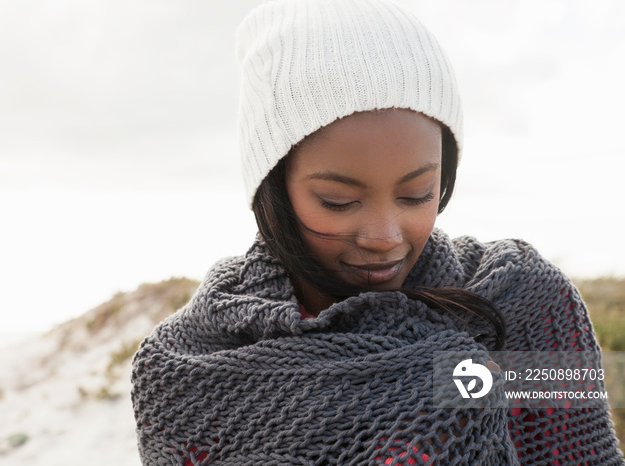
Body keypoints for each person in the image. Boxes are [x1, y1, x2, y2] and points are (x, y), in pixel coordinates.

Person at [131, 0, 624, 464]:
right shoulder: (189, 371)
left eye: (417, 194)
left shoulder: (522, 304)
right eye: (338, 201)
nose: (385, 236)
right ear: (272, 189)